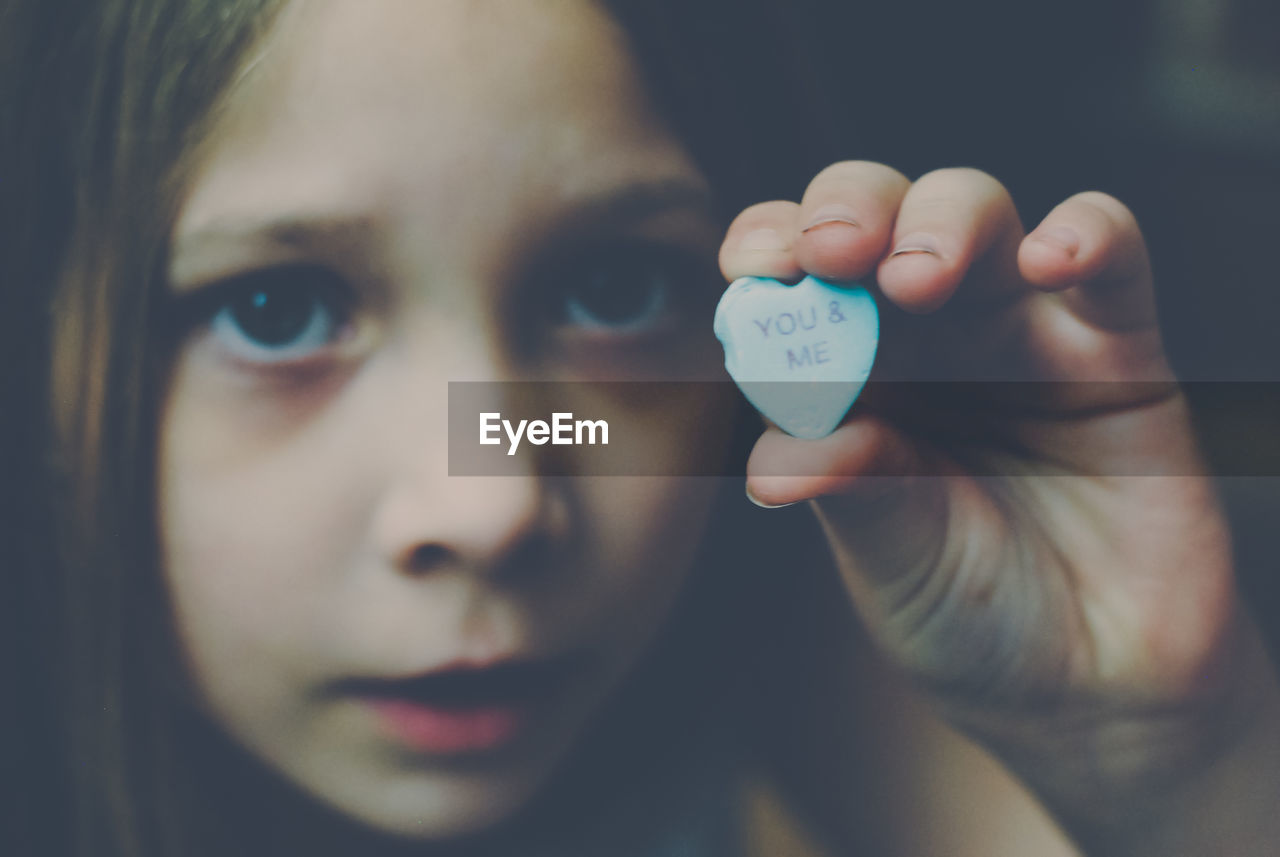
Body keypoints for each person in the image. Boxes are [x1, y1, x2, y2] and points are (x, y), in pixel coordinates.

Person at [3, 1, 1278, 856]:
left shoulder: (830, 693)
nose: (491, 501)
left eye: (614, 290)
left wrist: (1170, 766)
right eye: (275, 309)